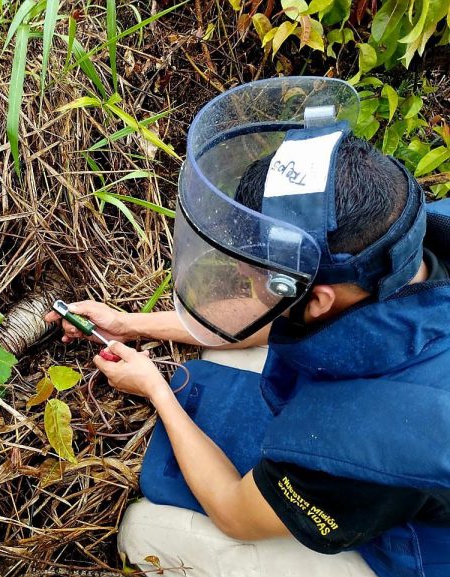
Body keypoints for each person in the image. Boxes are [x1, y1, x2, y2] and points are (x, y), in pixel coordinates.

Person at [45, 77, 450, 577]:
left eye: (255, 273)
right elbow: (287, 315)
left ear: (320, 298)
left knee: (144, 531)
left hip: (421, 547)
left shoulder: (365, 444)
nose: (240, 273)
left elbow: (235, 513)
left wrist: (155, 389)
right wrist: (128, 324)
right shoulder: (396, 240)